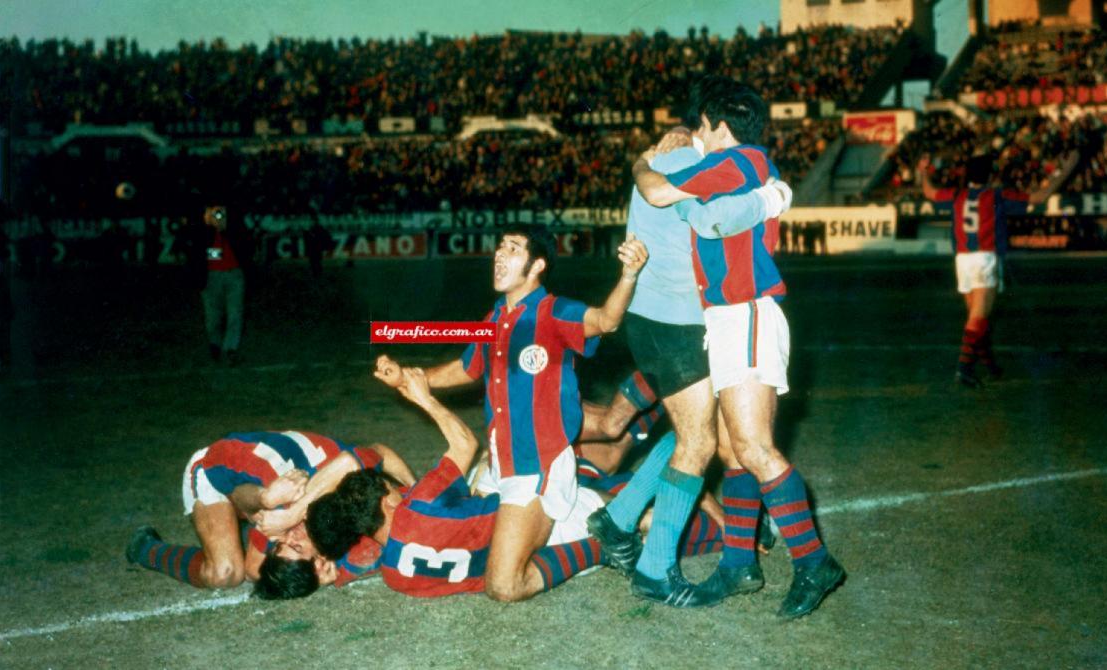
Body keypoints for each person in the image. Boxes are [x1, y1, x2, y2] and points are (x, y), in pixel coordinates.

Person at [620, 76, 843, 619]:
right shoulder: (742, 167)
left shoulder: (740, 161)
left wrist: (641, 161)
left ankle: (814, 562)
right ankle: (737, 563)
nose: (697, 134)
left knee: (755, 447)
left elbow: (657, 191)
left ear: (719, 126)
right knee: (730, 450)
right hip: (725, 318)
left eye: (700, 125)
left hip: (745, 313)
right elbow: (703, 210)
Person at [587, 75, 796, 609]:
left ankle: (617, 519)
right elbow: (717, 218)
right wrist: (774, 195)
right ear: (713, 125)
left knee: (696, 430)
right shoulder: (690, 164)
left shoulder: (674, 154)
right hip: (677, 323)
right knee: (700, 443)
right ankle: (654, 570)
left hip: (655, 319)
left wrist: (649, 153)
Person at [260, 366, 728, 600]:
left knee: (597, 456)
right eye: (296, 548)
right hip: (546, 520)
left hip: (517, 516)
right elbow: (442, 450)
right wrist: (423, 397)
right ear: (384, 503)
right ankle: (668, 429)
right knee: (601, 466)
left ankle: (652, 421)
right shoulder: (412, 506)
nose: (294, 538)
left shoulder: (393, 574)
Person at [373, 226, 646, 602]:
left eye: (513, 249)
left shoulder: (553, 311)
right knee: (476, 537)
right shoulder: (496, 316)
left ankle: (609, 544)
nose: (500, 254)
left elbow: (605, 321)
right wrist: (407, 376)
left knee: (503, 586)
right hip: (500, 462)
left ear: (537, 265)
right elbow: (466, 368)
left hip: (537, 465)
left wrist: (629, 275)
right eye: (500, 247)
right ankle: (610, 510)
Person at [124, 430, 413, 589]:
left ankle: (259, 510)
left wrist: (414, 489)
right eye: (296, 546)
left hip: (271, 480)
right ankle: (146, 548)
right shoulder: (295, 504)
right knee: (225, 573)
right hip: (216, 472)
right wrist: (269, 502)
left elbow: (376, 456)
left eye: (284, 545)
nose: (289, 537)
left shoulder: (319, 513)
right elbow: (371, 454)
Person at [918, 152, 1077, 387]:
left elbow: (929, 192)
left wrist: (922, 170)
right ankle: (963, 370)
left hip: (962, 260)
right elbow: (1039, 196)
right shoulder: (996, 195)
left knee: (978, 318)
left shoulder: (957, 194)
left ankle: (991, 366)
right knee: (978, 318)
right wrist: (1065, 172)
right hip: (984, 258)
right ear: (989, 175)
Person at [190, 204, 252, 365]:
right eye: (213, 213)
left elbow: (246, 248)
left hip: (234, 274)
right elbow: (199, 253)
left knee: (235, 313)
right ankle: (215, 344)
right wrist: (209, 228)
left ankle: (230, 348)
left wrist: (225, 229)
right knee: (213, 316)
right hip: (211, 276)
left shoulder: (235, 229)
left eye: (221, 213)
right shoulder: (202, 232)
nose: (218, 216)